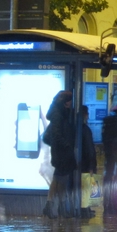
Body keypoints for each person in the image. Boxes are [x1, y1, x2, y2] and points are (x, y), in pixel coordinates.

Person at [43, 91, 76, 219]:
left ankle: (55, 206)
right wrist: (66, 144)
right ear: (65, 102)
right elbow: (56, 134)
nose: (71, 103)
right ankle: (53, 206)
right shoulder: (58, 114)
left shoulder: (61, 112)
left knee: (60, 179)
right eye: (69, 100)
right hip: (61, 151)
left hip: (61, 150)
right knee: (59, 179)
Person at [102, 94, 117, 215]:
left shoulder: (108, 120)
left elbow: (105, 139)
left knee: (109, 176)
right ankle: (115, 202)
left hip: (110, 153)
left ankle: (108, 203)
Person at [79, 105, 97, 218]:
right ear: (85, 115)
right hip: (86, 163)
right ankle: (85, 210)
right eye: (87, 113)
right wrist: (92, 165)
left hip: (80, 162)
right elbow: (90, 149)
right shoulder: (85, 130)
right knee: (86, 186)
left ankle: (85, 209)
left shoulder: (76, 128)